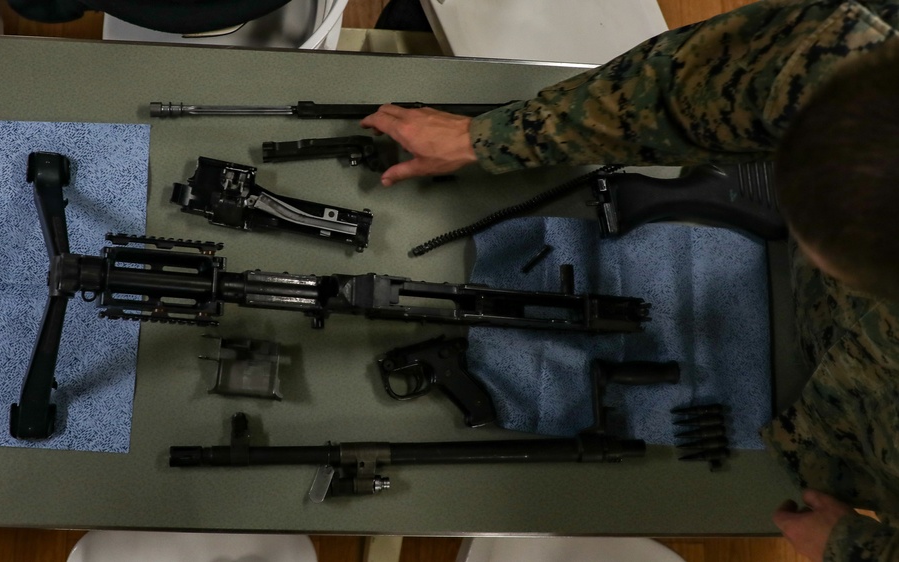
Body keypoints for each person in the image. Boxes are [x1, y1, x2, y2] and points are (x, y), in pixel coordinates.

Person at [360, 0, 899, 560]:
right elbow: (684, 90)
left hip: (845, 444)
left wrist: (851, 549)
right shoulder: (861, 51)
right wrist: (489, 138)